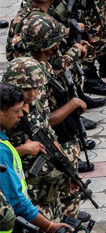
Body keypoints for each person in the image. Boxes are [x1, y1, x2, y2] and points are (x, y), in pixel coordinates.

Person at [0, 83, 76, 232]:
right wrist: (49, 226)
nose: (21, 115)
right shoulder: (2, 150)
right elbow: (16, 200)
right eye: (16, 111)